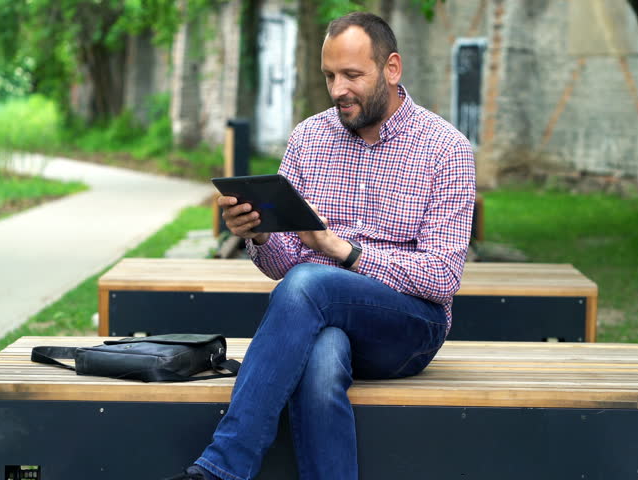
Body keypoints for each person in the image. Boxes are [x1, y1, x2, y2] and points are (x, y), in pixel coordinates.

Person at [166, 11, 475, 480]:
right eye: (329, 75)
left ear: (392, 69)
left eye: (352, 75)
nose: (337, 90)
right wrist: (261, 234)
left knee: (312, 280)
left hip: (409, 328)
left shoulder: (445, 149)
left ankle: (223, 467)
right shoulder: (309, 139)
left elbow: (441, 278)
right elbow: (284, 266)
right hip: (319, 315)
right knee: (321, 357)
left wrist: (343, 250)